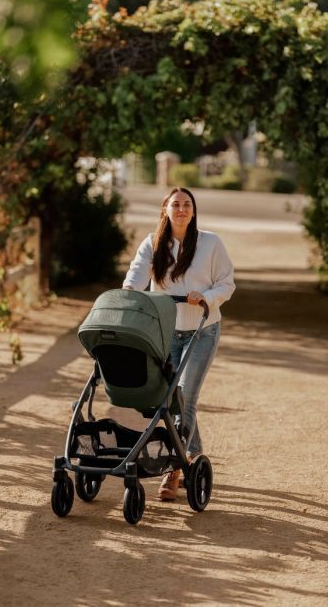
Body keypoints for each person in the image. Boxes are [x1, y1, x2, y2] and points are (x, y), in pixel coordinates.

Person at [123, 187, 235, 500]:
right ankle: (193, 456)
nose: (182, 209)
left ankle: (173, 470)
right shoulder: (153, 243)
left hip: (202, 329)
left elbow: (227, 283)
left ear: (193, 210)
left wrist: (207, 297)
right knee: (171, 400)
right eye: (176, 204)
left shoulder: (211, 243)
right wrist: (129, 291)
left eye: (187, 204)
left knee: (184, 397)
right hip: (166, 331)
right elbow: (136, 273)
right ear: (166, 210)